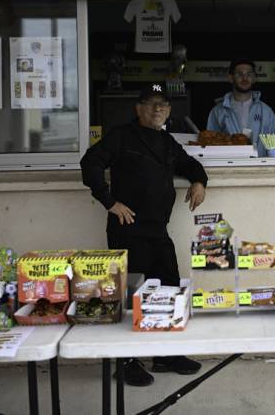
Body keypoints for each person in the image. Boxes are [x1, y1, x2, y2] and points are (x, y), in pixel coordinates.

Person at [81, 85, 208, 386]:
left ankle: (165, 355)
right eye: (151, 104)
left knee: (167, 290)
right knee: (129, 299)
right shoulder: (122, 136)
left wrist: (200, 181)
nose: (157, 110)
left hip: (157, 230)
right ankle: (126, 361)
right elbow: (90, 164)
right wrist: (109, 202)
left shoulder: (166, 141)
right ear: (138, 108)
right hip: (128, 229)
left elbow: (190, 164)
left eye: (163, 105)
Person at [207, 59, 275, 156]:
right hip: (228, 168)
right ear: (231, 78)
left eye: (249, 74)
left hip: (259, 168)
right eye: (239, 74)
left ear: (254, 78)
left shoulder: (266, 112)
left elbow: (273, 148)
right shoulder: (218, 111)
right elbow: (210, 146)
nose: (244, 78)